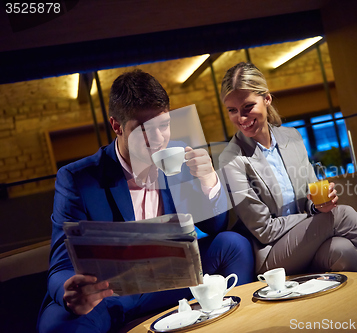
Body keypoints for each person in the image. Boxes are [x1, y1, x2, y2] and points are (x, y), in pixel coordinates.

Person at [218, 62, 357, 333]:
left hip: (309, 239)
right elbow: (264, 231)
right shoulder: (231, 159)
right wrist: (315, 215)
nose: (241, 118)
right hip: (272, 255)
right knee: (344, 215)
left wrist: (318, 205)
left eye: (247, 107)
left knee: (343, 252)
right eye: (233, 111)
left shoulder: (291, 138)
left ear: (266, 99)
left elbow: (310, 194)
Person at [37, 69, 254, 333]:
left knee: (233, 244)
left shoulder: (180, 157)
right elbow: (60, 265)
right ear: (117, 126)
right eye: (143, 129)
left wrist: (209, 180)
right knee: (57, 327)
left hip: (172, 280)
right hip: (111, 294)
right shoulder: (77, 178)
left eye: (163, 125)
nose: (159, 139)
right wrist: (69, 292)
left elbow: (215, 226)